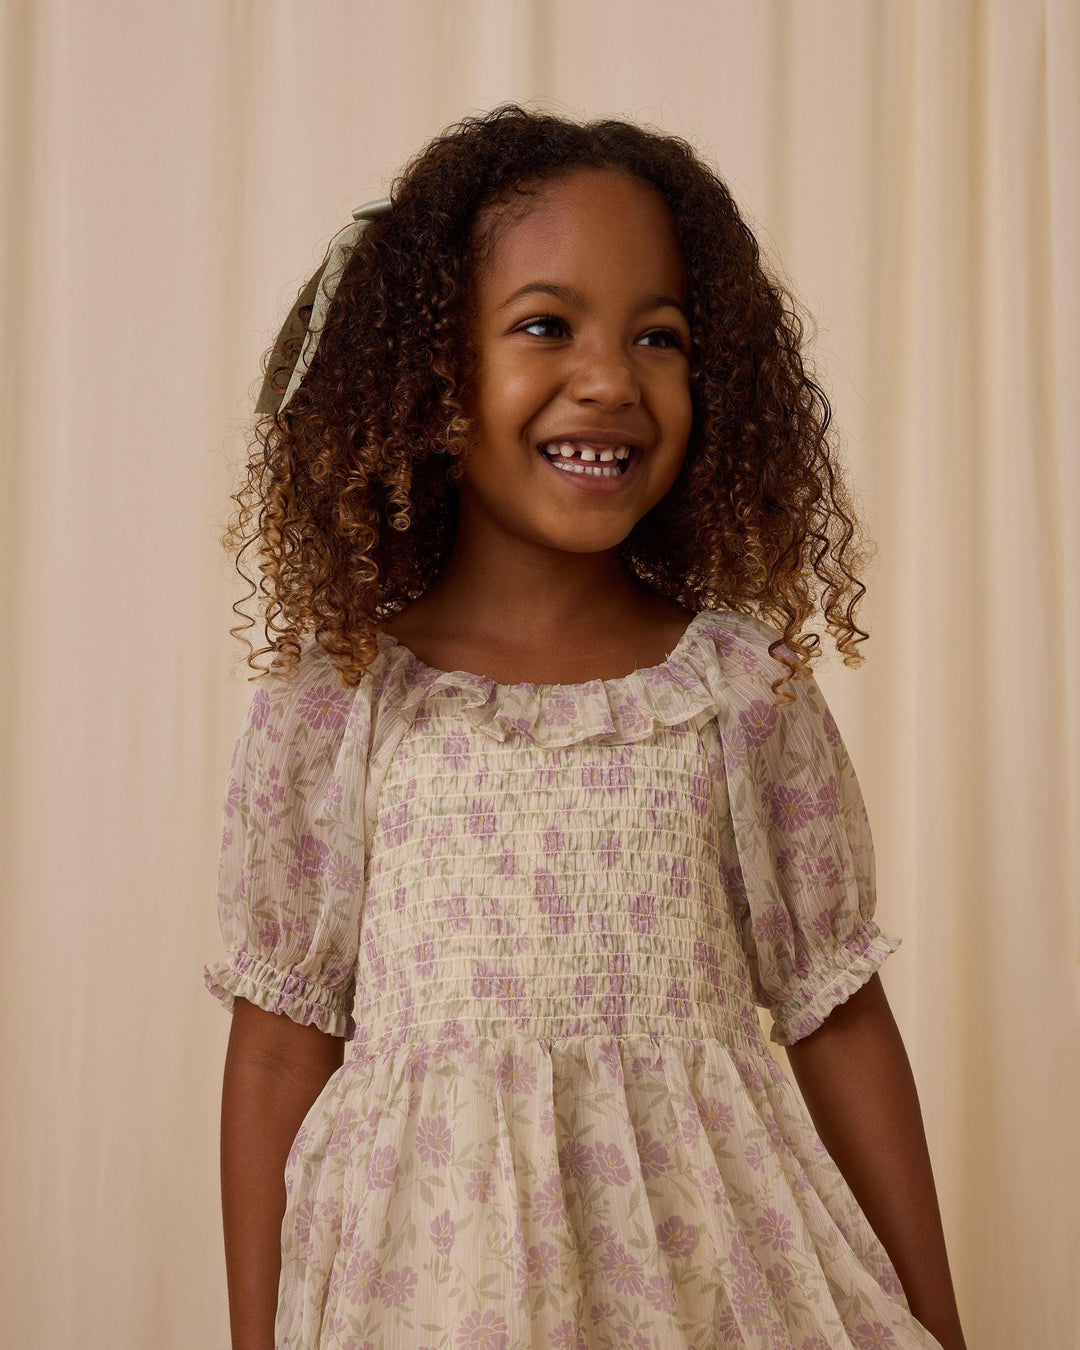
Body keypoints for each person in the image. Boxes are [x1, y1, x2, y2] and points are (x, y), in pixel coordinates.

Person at [203, 103, 967, 1350]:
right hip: (433, 1292)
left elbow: (840, 1015)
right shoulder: (341, 695)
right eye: (546, 326)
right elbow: (283, 1048)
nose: (609, 378)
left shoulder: (738, 687)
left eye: (657, 336)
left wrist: (940, 1321)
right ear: (433, 371)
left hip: (716, 1283)